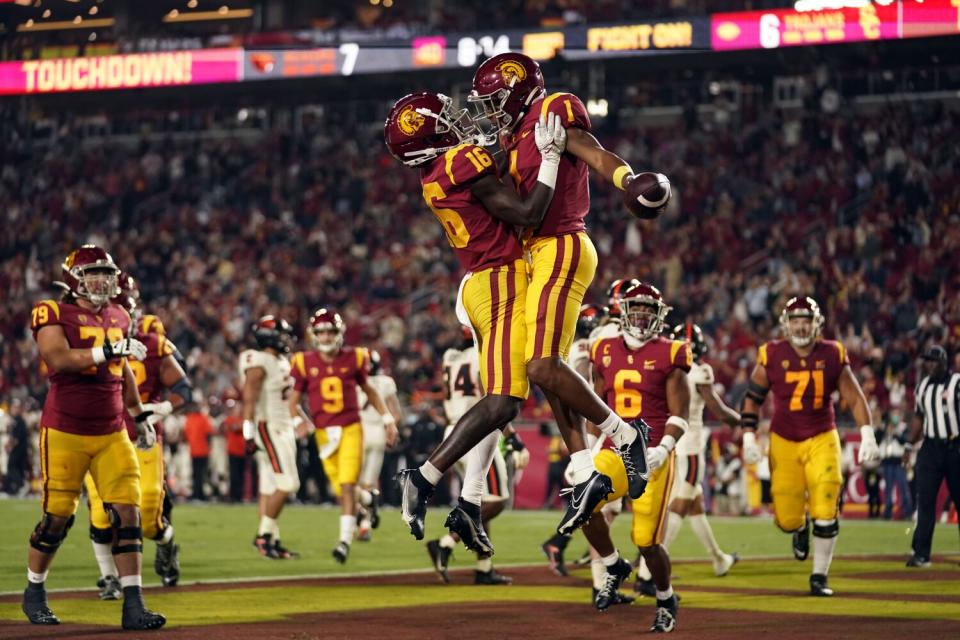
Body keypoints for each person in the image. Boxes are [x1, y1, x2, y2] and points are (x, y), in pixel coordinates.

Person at [384, 92, 592, 545]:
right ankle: (424, 477)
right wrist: (551, 159)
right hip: (499, 280)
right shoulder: (459, 162)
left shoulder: (437, 171)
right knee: (510, 393)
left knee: (511, 396)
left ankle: (470, 502)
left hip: (485, 280)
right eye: (444, 120)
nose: (455, 122)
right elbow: (528, 211)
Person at [471, 53, 662, 534]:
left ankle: (625, 435)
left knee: (541, 366)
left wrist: (627, 179)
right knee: (547, 371)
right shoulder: (510, 137)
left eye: (495, 99)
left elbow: (592, 150)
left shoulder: (552, 108)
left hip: (561, 245)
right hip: (535, 255)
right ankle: (581, 467)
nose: (491, 109)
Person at [24, 245, 164, 630]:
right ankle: (34, 590)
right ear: (73, 278)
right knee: (58, 518)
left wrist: (140, 417)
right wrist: (107, 349)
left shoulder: (120, 313)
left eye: (107, 273)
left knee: (128, 513)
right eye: (93, 273)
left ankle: (133, 603)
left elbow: (124, 372)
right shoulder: (52, 311)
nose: (102, 280)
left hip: (112, 430)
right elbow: (59, 358)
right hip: (65, 429)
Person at [740, 296, 880, 596]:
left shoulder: (832, 353)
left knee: (827, 501)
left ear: (816, 324)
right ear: (786, 324)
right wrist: (748, 435)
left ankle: (819, 577)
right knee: (787, 519)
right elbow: (753, 397)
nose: (801, 326)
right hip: (784, 439)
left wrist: (867, 432)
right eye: (795, 321)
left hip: (821, 435)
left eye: (805, 320)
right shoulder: (772, 353)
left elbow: (854, 397)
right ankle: (799, 528)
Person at [588, 281, 691, 630]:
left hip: (652, 451)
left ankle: (665, 597)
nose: (643, 317)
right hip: (614, 447)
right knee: (583, 504)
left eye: (649, 310)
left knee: (647, 541)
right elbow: (594, 405)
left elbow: (680, 413)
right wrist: (587, 450)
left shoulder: (672, 352)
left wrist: (664, 448)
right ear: (624, 313)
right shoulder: (601, 348)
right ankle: (614, 564)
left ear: (659, 316)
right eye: (637, 310)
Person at [85, 273, 193, 598]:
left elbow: (183, 387)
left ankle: (166, 541)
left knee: (148, 515)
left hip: (143, 438)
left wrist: (162, 409)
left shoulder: (153, 343)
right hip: (100, 434)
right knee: (100, 513)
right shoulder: (84, 338)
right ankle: (109, 578)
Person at [635, 323, 739, 595]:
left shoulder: (666, 367)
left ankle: (718, 558)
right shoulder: (700, 370)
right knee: (680, 505)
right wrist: (744, 420)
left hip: (668, 444)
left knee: (694, 504)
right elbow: (717, 407)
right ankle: (647, 570)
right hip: (689, 446)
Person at [289, 308, 398, 563]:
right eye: (321, 332)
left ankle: (344, 541)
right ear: (314, 335)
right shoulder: (304, 362)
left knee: (348, 485)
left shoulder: (355, 358)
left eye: (330, 332)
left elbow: (369, 390)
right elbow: (293, 402)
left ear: (339, 334)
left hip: (351, 428)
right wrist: (300, 421)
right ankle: (368, 499)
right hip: (325, 434)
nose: (326, 337)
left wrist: (387, 418)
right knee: (341, 489)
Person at [425, 326, 521, 585]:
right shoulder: (482, 356)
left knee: (478, 499)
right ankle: (445, 543)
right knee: (498, 500)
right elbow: (492, 400)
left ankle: (484, 567)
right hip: (476, 432)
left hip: (453, 431)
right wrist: (512, 436)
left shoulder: (450, 357)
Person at [240, 316, 302, 560]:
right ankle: (263, 535)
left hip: (283, 426)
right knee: (288, 484)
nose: (287, 339)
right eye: (283, 334)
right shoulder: (260, 359)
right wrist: (247, 431)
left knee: (269, 486)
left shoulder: (281, 361)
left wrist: (300, 422)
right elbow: (249, 398)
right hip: (270, 427)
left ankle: (272, 541)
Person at [904, 345, 960, 567]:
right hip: (930, 448)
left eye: (934, 361)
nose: (929, 365)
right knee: (925, 501)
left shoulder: (957, 383)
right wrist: (909, 445)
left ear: (944, 362)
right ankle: (921, 554)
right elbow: (919, 416)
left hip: (956, 447)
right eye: (927, 361)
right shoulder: (923, 387)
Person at [356, 350, 402, 541]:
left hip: (358, 433)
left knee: (352, 482)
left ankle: (360, 521)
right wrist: (391, 430)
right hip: (378, 433)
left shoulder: (353, 381)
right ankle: (365, 524)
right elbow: (396, 413)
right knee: (370, 482)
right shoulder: (385, 382)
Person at [184, 405, 214, 501]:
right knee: (198, 474)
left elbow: (208, 434)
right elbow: (208, 434)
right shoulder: (200, 418)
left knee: (199, 474)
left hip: (201, 451)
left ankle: (199, 494)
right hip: (196, 450)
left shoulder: (194, 418)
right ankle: (198, 494)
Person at [3, 399, 30, 495]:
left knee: (12, 466)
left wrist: (9, 447)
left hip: (19, 449)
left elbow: (17, 438)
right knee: (17, 468)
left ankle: (22, 485)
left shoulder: (20, 421)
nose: (13, 410)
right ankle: (12, 489)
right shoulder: (15, 421)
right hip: (19, 449)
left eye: (15, 408)